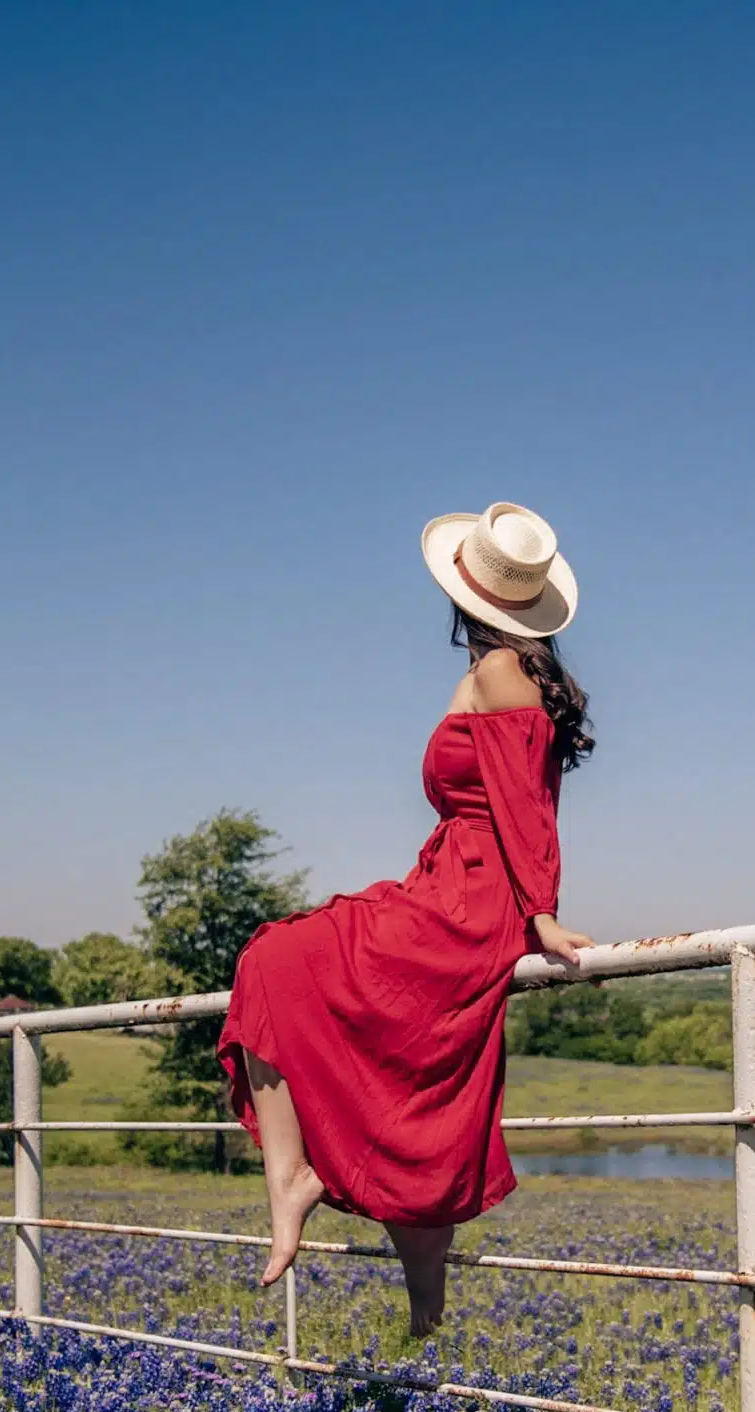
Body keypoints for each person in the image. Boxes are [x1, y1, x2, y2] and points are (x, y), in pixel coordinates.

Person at [217, 502, 595, 1334]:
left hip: (474, 897)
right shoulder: (515, 671)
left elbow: (527, 809)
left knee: (274, 962)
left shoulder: (501, 674)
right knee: (406, 1076)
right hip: (451, 878)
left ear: (463, 595)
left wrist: (540, 915)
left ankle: (292, 1181)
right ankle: (424, 1316)